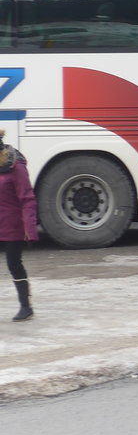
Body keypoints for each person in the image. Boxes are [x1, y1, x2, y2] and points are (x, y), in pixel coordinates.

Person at [0, 130, 38, 321]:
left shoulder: (15, 166)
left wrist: (30, 229)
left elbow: (27, 199)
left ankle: (26, 306)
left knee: (13, 264)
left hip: (12, 225)